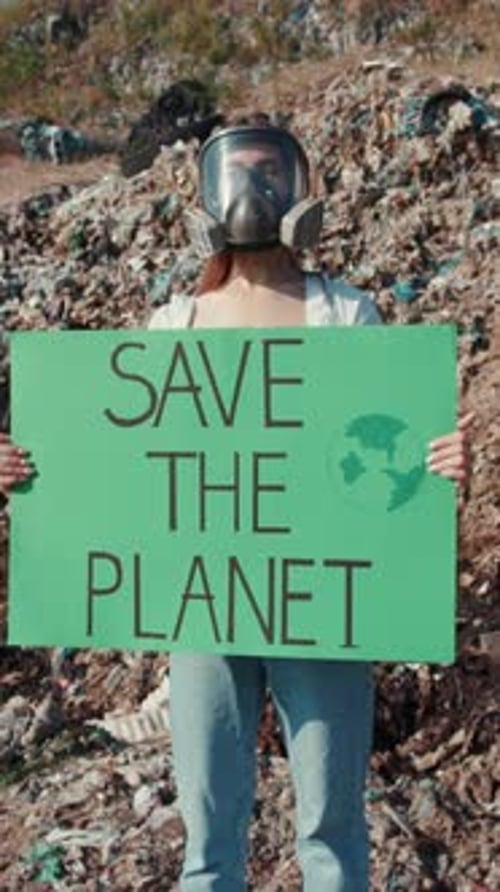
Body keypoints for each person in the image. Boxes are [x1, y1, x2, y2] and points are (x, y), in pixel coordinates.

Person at [0, 116, 473, 891]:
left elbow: (379, 445)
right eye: (238, 174)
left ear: (300, 192)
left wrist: (437, 465)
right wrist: (34, 471)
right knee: (210, 839)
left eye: (269, 173)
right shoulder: (172, 325)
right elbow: (128, 463)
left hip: (319, 600)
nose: (252, 191)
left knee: (331, 827)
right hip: (206, 605)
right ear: (207, 196)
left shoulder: (346, 313)